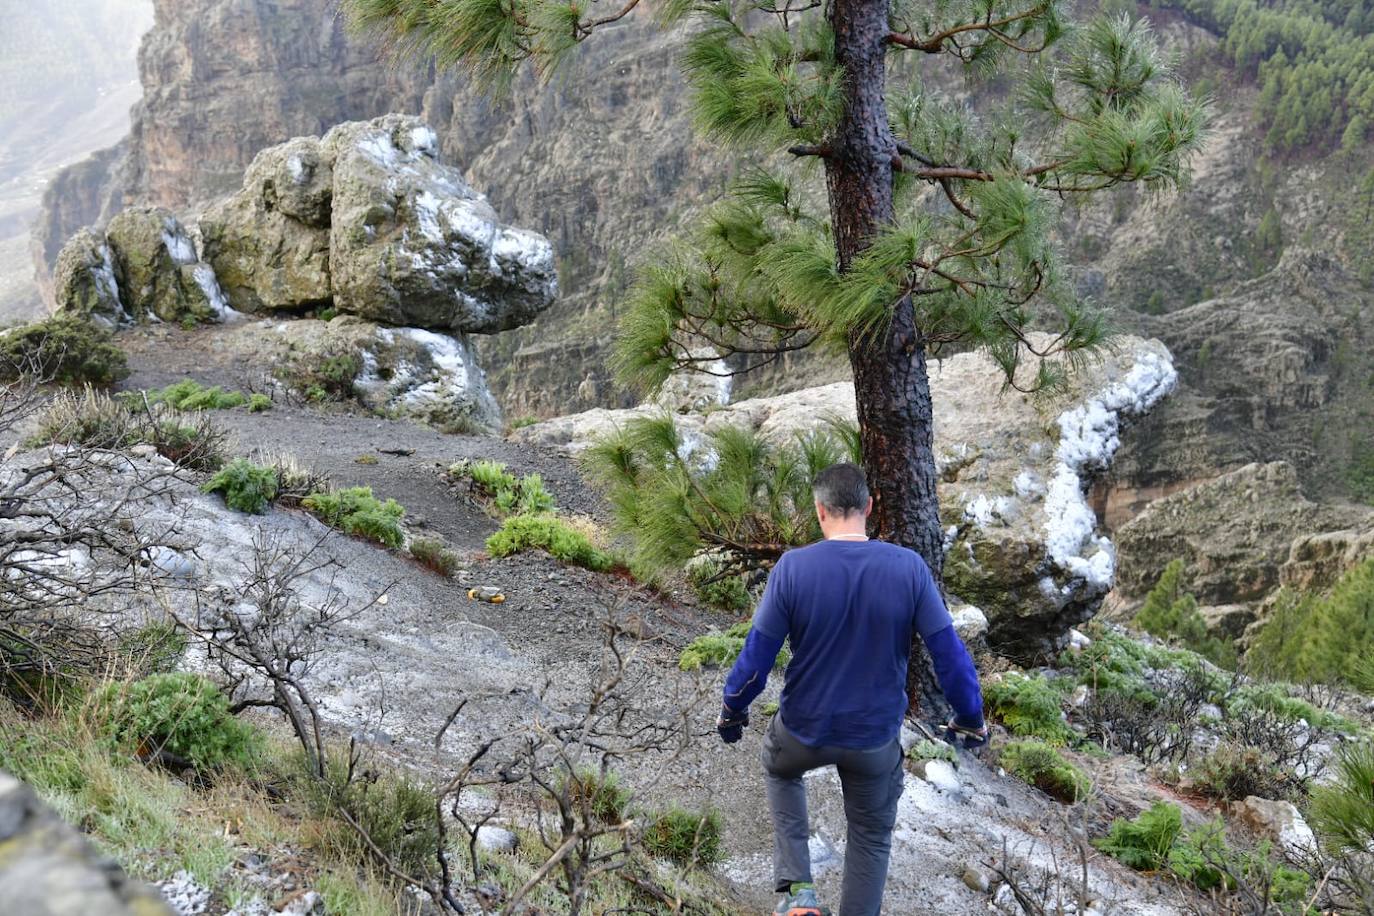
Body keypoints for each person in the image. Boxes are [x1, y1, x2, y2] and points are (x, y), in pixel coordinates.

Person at [716, 462, 987, 916]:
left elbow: (755, 660)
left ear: (820, 511)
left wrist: (732, 709)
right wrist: (971, 718)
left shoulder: (792, 569)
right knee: (870, 836)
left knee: (780, 770)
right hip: (873, 739)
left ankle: (799, 892)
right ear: (869, 507)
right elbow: (951, 656)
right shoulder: (910, 569)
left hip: (803, 730)